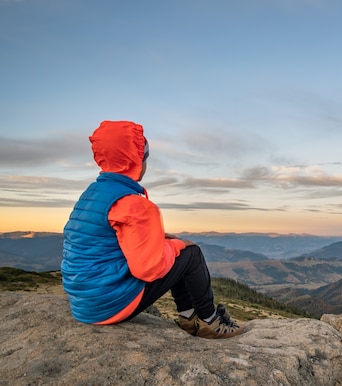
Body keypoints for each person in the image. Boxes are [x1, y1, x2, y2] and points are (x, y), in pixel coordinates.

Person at [61, 120, 244, 339]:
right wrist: (175, 246)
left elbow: (102, 239)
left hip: (85, 302)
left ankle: (189, 318)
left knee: (177, 252)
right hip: (109, 303)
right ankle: (209, 321)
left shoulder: (93, 194)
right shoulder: (133, 203)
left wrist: (158, 240)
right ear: (137, 159)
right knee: (190, 253)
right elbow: (149, 269)